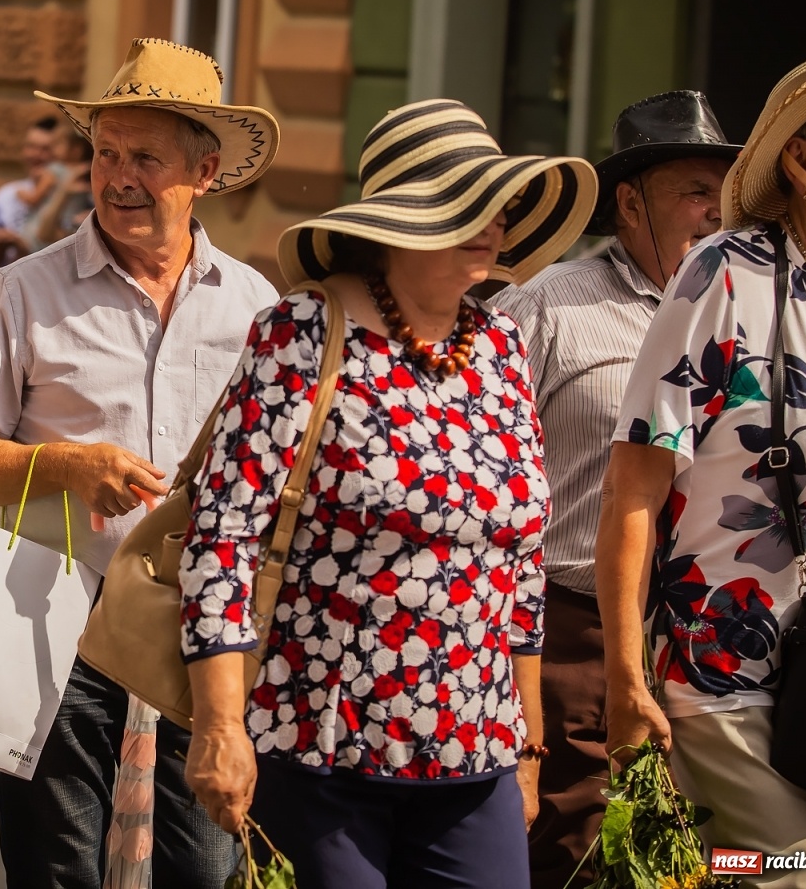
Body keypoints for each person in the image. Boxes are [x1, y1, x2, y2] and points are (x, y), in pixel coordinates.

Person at [184, 99, 598, 888]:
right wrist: (219, 725)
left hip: (477, 750)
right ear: (402, 221)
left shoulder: (502, 346)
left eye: (501, 203)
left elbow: (521, 567)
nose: (494, 221)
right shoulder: (302, 332)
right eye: (471, 200)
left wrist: (527, 747)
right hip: (322, 751)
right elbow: (223, 536)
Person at [0, 38, 280, 889]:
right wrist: (64, 463)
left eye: (145, 159)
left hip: (203, 634)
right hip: (54, 624)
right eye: (106, 153)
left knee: (205, 871)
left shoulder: (257, 308)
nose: (119, 177)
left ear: (205, 172)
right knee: (60, 873)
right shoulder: (22, 291)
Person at [599, 52, 806, 889]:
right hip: (730, 683)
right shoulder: (727, 274)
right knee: (799, 879)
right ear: (801, 158)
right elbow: (635, 486)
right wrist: (624, 679)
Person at [490, 90, 737, 886]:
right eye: (694, 192)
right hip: (571, 637)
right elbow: (485, 472)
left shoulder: (744, 311)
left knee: (692, 858)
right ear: (630, 205)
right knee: (574, 853)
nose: (715, 212)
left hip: (708, 639)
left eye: (723, 193)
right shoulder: (549, 306)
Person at [0, 115, 59, 269]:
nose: (36, 155)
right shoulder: (5, 195)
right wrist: (0, 245)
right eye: (31, 147)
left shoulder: (68, 197)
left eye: (45, 149)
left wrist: (23, 246)